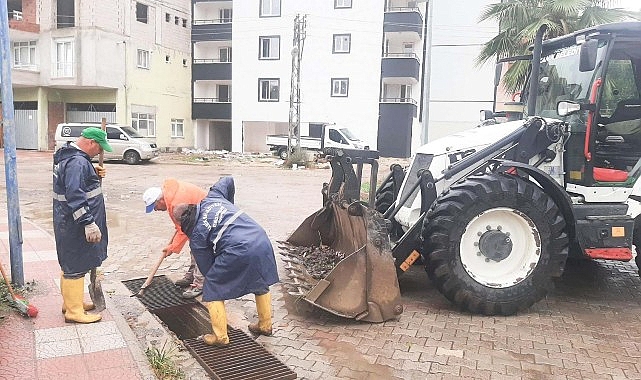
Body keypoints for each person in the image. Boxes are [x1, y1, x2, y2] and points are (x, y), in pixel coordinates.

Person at [173, 176, 279, 346]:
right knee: (259, 281)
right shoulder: (213, 198)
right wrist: (228, 205)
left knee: (213, 286)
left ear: (181, 224)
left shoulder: (197, 237)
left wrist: (223, 287)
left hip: (239, 248)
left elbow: (208, 270)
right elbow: (228, 179)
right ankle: (265, 325)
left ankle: (220, 337)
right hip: (260, 238)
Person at [53, 127, 112, 324]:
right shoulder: (77, 162)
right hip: (74, 224)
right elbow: (75, 195)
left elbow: (73, 183)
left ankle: (71, 303)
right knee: (75, 266)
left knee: (70, 263)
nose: (100, 152)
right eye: (100, 148)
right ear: (91, 143)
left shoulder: (73, 158)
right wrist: (88, 222)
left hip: (68, 221)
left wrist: (92, 172)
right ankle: (74, 311)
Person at [143, 179, 206, 298]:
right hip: (196, 217)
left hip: (205, 216)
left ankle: (199, 284)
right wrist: (172, 245)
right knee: (194, 246)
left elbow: (183, 230)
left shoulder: (176, 203)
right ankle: (192, 275)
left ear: (160, 200)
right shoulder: (169, 195)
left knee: (200, 250)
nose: (155, 210)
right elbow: (181, 226)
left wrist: (172, 248)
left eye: (154, 206)